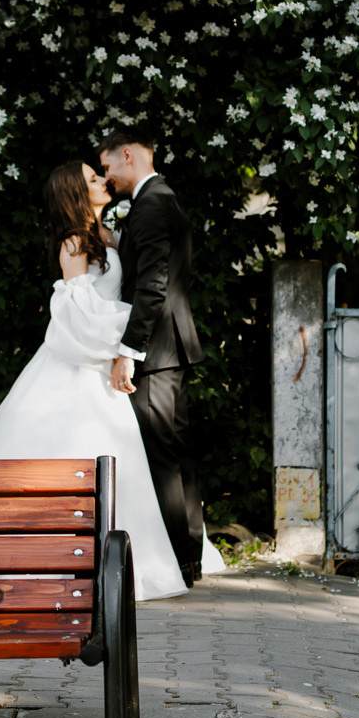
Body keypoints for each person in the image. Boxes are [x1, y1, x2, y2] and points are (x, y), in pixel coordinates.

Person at [0, 161, 220, 599]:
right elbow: (76, 315)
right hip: (76, 367)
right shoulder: (73, 243)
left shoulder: (107, 235)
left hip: (103, 369)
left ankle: (121, 559)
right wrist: (127, 336)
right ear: (75, 192)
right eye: (92, 178)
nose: (103, 181)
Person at [98, 129, 209, 584]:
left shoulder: (152, 204)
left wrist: (129, 352)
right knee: (175, 453)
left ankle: (178, 561)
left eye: (107, 167)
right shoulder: (162, 199)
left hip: (157, 349)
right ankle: (189, 557)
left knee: (162, 456)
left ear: (127, 155)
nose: (108, 177)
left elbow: (153, 286)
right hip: (171, 347)